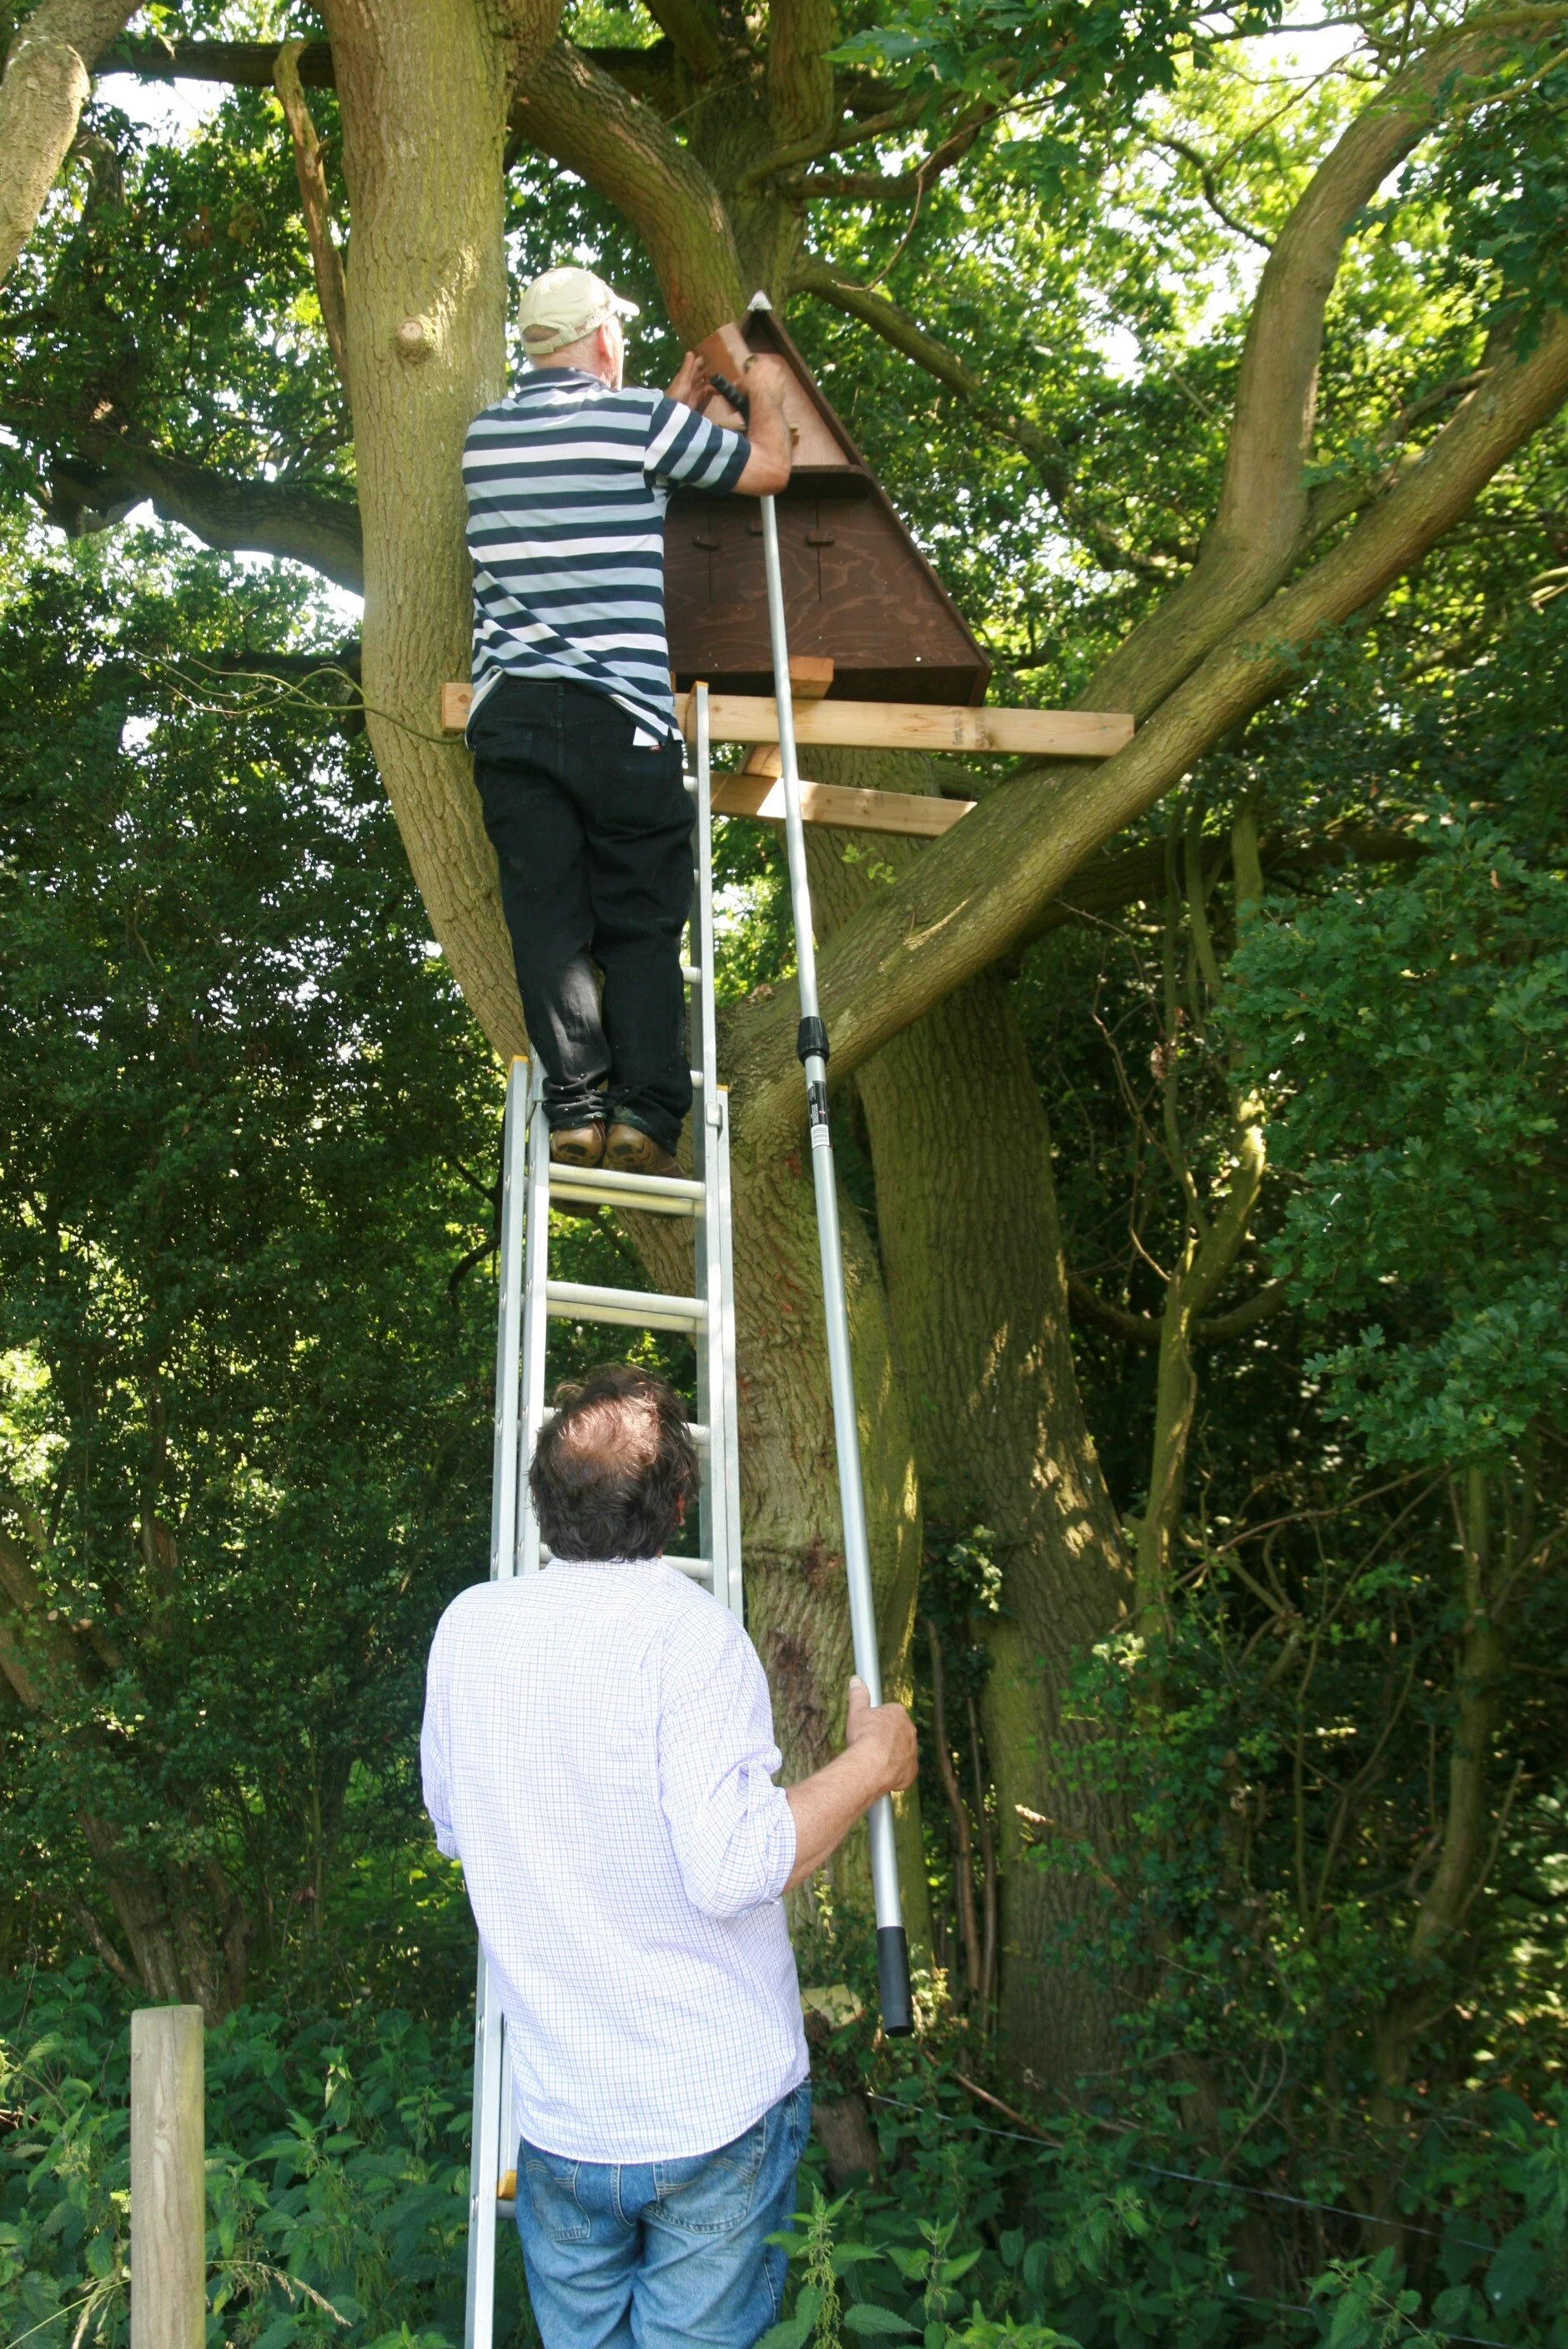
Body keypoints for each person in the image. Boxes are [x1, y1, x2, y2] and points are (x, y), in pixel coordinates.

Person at [420, 1362, 917, 2349]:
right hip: (709, 2116)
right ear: (678, 1502)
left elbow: (452, 1827)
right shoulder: (690, 1636)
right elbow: (731, 1866)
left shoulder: (466, 1630)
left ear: (544, 1497)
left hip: (563, 2117)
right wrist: (870, 1764)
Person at [462, 265, 792, 1180]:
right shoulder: (638, 422)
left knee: (548, 921)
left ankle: (574, 1111)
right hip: (624, 719)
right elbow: (767, 468)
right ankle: (645, 1109)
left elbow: (616, 482)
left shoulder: (485, 437)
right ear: (604, 336)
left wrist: (672, 410)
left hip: (515, 717)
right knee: (641, 922)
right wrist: (764, 390)